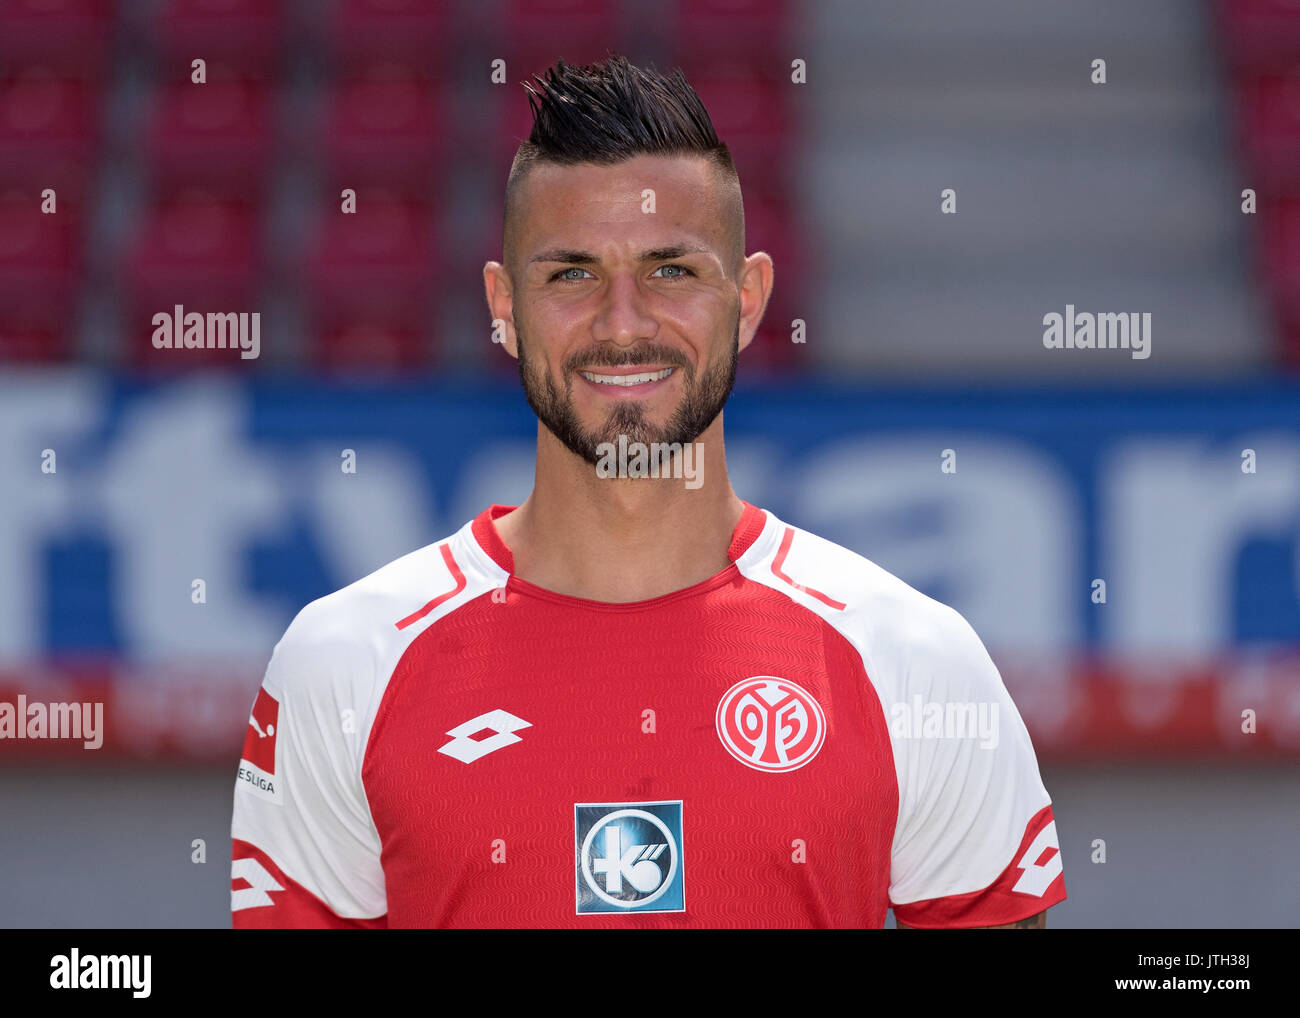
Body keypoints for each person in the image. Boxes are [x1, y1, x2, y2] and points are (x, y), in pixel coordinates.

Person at [231, 54, 1066, 928]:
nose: (623, 324)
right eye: (571, 274)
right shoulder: (344, 661)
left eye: (671, 271)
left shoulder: (915, 660)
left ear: (746, 301)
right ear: (504, 306)